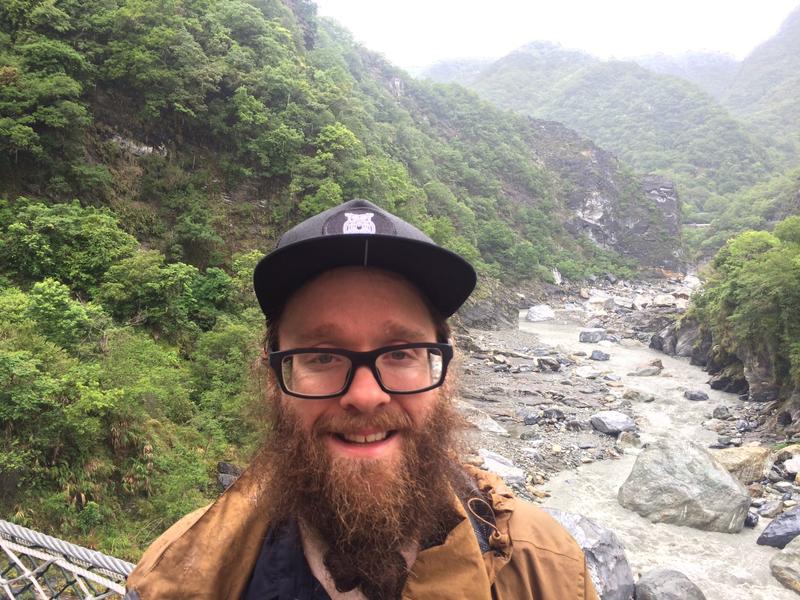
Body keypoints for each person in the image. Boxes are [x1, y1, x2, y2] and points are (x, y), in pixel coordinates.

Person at [124, 199, 599, 600]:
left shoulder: (546, 570)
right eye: (322, 355)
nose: (366, 396)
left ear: (444, 371)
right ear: (274, 374)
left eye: (400, 353)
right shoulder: (180, 575)